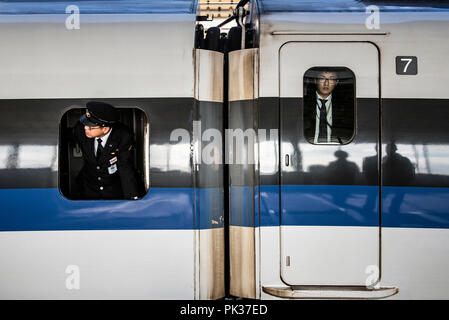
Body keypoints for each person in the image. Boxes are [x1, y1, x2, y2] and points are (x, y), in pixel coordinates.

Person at [73, 101, 142, 200]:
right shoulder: (81, 130)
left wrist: (132, 196)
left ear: (105, 129)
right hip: (88, 186)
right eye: (85, 125)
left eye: (90, 127)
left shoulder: (123, 136)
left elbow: (125, 166)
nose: (85, 128)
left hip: (113, 188)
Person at [303, 68, 354, 144]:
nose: (326, 83)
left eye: (331, 79)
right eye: (322, 78)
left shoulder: (345, 106)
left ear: (337, 82)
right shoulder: (304, 103)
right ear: (315, 80)